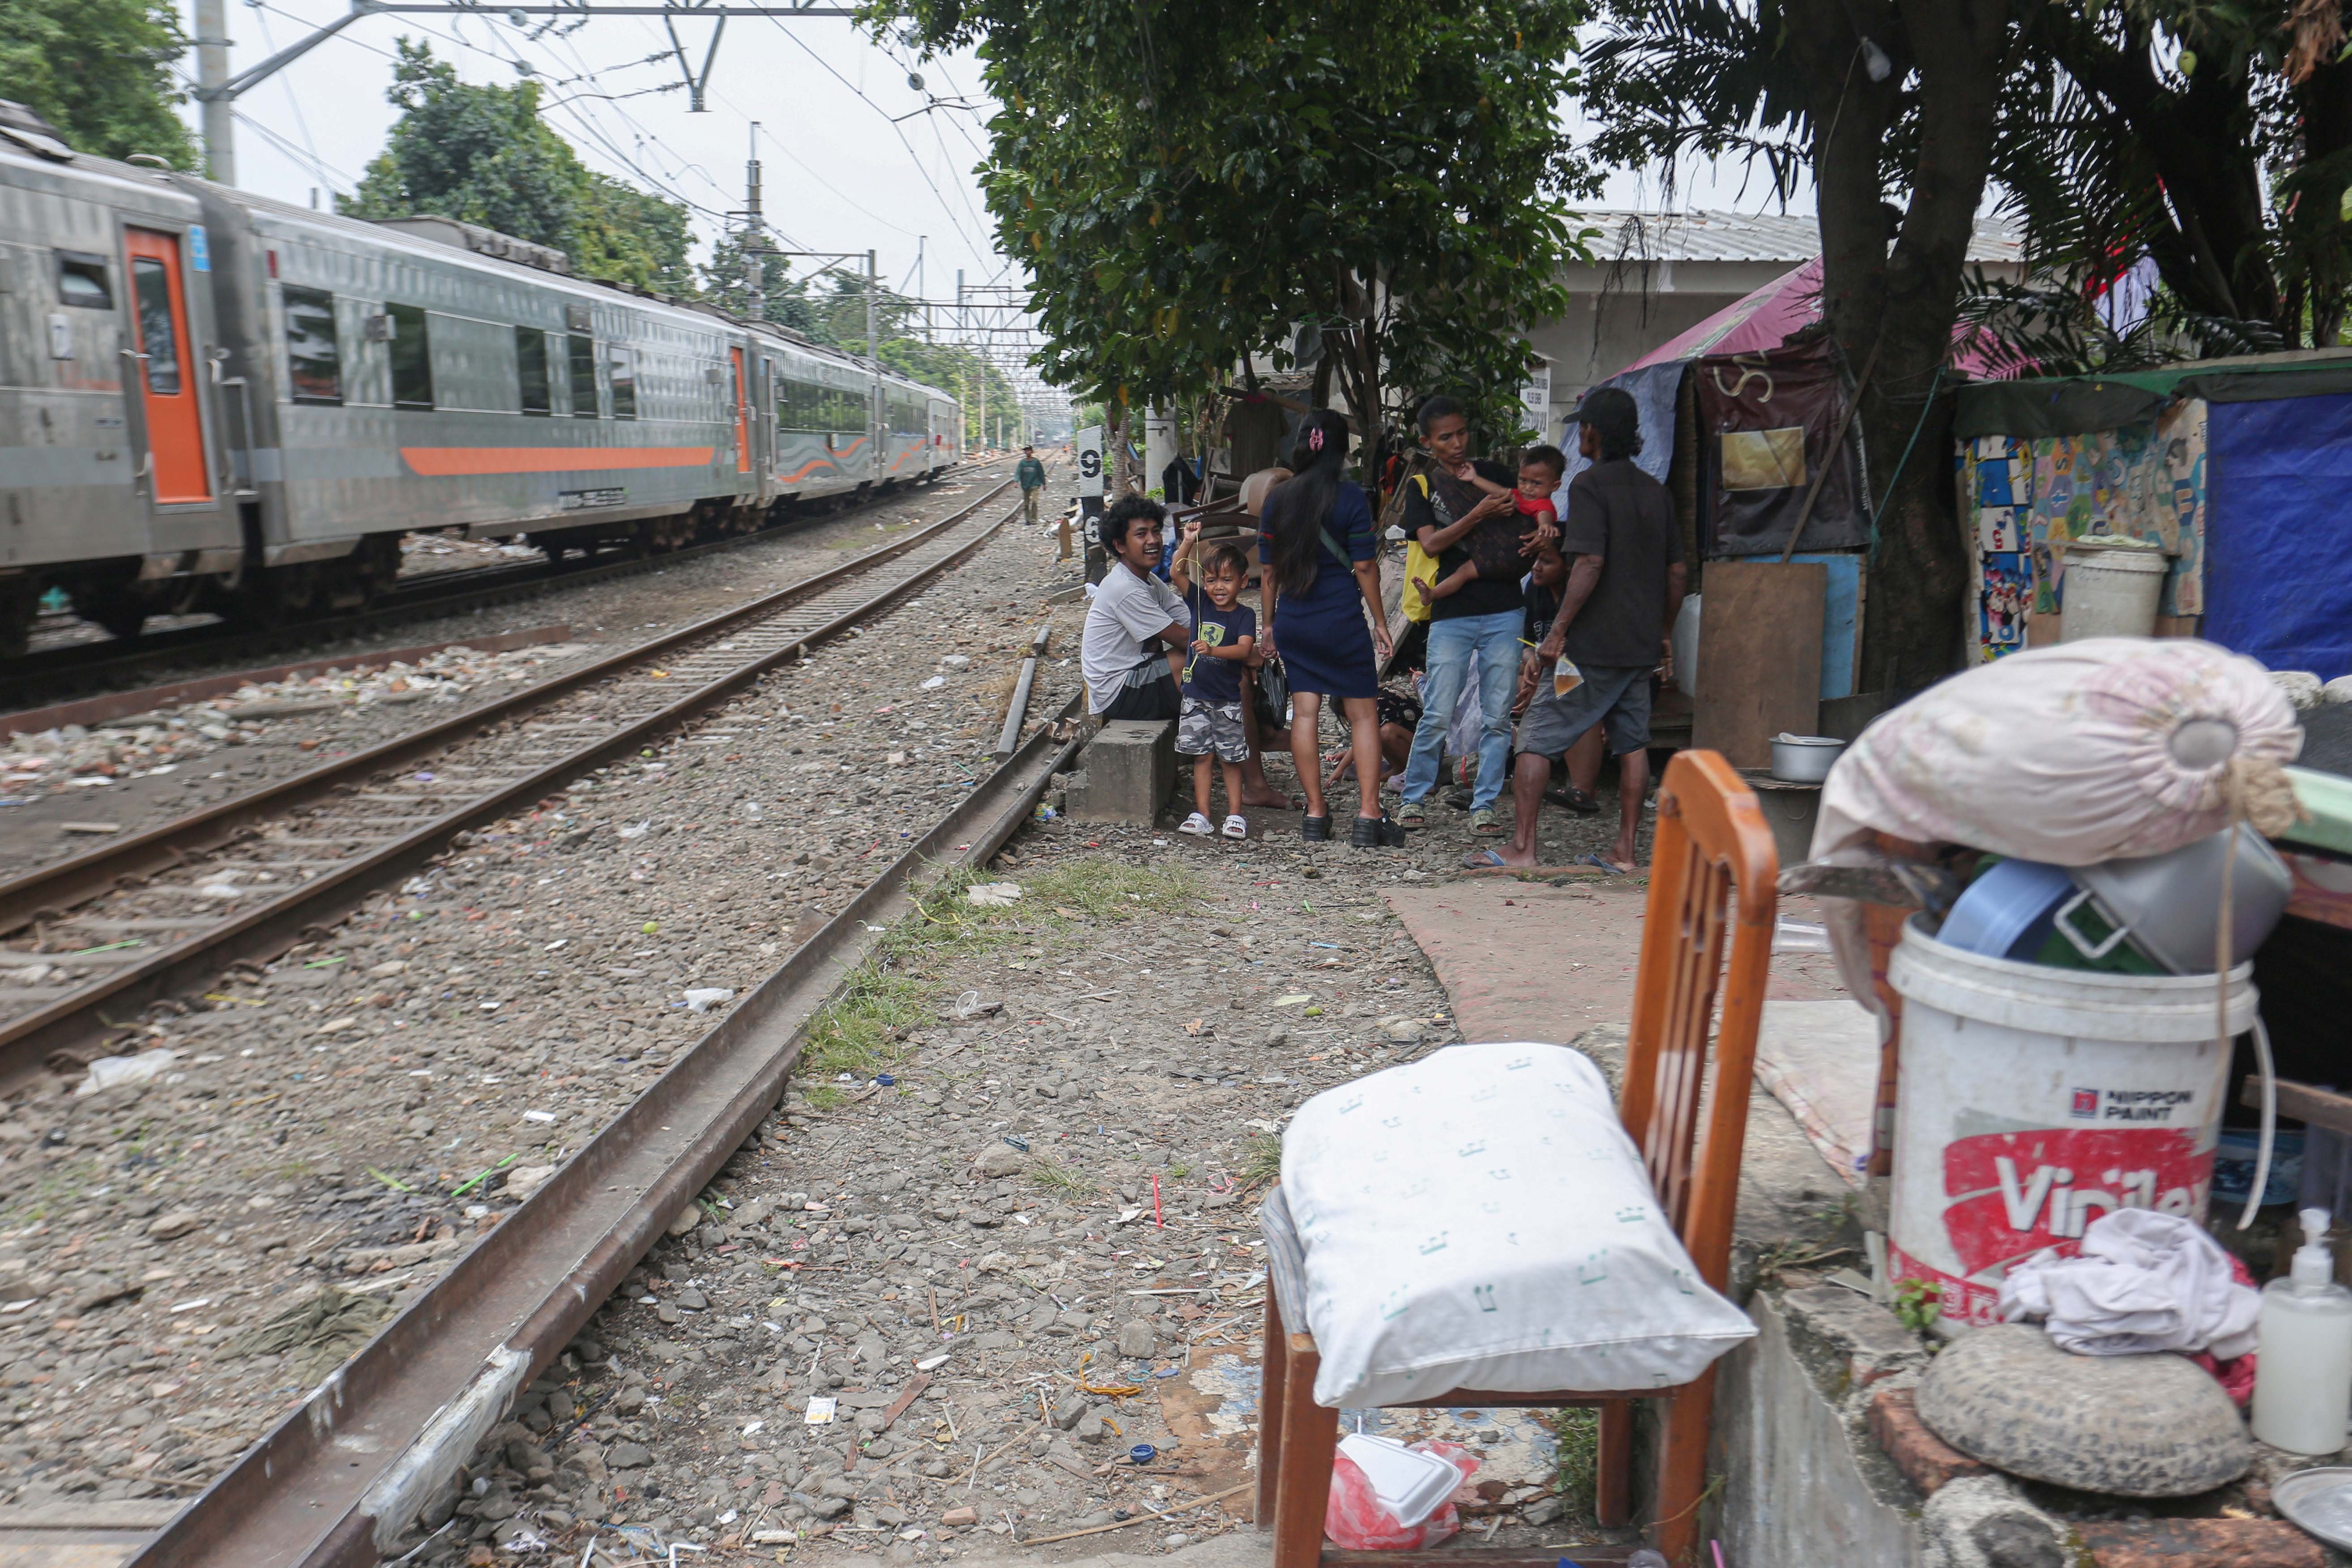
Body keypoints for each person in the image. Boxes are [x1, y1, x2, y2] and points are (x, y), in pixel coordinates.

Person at [1476, 386, 1685, 874]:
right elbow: (1676, 573)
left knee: (1534, 737)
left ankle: (1522, 847)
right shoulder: (1656, 491)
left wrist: (1557, 631)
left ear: (1592, 432)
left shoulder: (1589, 487)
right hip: (1638, 646)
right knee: (1633, 743)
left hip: (1588, 648)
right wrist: (1664, 632)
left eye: (1581, 428)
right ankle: (1626, 851)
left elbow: (1589, 562)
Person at [1396, 398, 1543, 837]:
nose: (1457, 443)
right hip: (1451, 614)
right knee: (1437, 712)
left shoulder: (1492, 474)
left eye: (1461, 433)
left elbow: (1528, 512)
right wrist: (1478, 513)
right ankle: (1412, 800)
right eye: (1445, 437)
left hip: (1503, 609)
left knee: (1498, 717)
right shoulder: (1422, 485)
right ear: (1426, 442)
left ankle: (1483, 806)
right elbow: (1432, 544)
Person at [1259, 409, 1406, 847]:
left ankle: (1316, 814)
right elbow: (1363, 565)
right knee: (1362, 715)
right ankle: (1368, 815)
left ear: (1302, 445)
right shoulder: (1351, 498)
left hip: (1295, 621)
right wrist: (1380, 622)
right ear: (1342, 450)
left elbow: (1267, 575)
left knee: (1304, 713)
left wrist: (1268, 625)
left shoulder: (1276, 499)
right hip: (1340, 621)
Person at [1168, 527, 1257, 839]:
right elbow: (1175, 570)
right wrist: (1189, 540)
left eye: (1227, 580)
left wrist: (1213, 650)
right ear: (1204, 582)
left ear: (1243, 582)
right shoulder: (1199, 602)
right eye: (1211, 580)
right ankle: (1203, 814)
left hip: (1227, 699)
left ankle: (1235, 815)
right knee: (1201, 756)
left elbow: (1245, 650)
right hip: (1195, 696)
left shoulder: (1245, 615)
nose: (1218, 587)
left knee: (1230, 759)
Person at [1410, 445, 1568, 612]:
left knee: (1463, 573)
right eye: (1523, 481)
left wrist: (1545, 526)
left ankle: (1432, 594)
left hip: (1512, 553)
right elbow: (1500, 491)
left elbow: (1545, 515)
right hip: (1501, 553)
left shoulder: (1543, 504)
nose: (1528, 488)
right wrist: (1474, 478)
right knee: (1463, 572)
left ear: (1555, 486)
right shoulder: (1521, 496)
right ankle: (1431, 594)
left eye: (1536, 483)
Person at [1080, 495, 1191, 721]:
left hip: (1141, 673)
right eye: (1141, 534)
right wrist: (1237, 649)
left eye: (1156, 531)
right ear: (1120, 545)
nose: (1153, 540)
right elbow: (1184, 640)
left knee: (1221, 661)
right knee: (1209, 662)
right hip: (1119, 692)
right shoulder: (1124, 587)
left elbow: (1191, 620)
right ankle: (1245, 743)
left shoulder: (1149, 581)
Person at [1016, 446, 1047, 526]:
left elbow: (1041, 473)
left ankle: (1034, 519)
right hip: (1026, 485)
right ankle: (1028, 520)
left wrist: (1044, 483)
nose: (1028, 452)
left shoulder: (1036, 462)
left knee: (1034, 501)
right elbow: (1018, 472)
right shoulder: (1022, 463)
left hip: (1035, 484)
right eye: (1026, 451)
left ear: (1032, 452)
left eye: (1029, 451)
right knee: (1026, 504)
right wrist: (1016, 481)